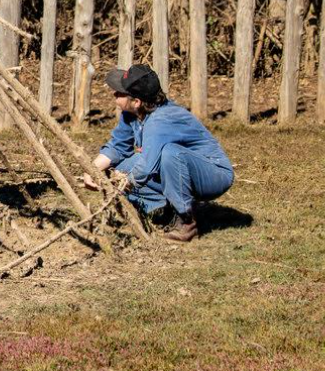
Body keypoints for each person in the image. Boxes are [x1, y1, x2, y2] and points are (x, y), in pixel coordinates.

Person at [82, 64, 234, 242]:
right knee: (121, 166)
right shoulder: (132, 114)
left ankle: (186, 220)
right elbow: (118, 146)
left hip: (214, 174)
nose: (114, 96)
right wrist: (92, 171)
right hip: (181, 169)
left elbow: (146, 167)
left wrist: (121, 181)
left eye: (119, 94)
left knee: (169, 153)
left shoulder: (161, 120)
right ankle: (165, 210)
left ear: (136, 101)